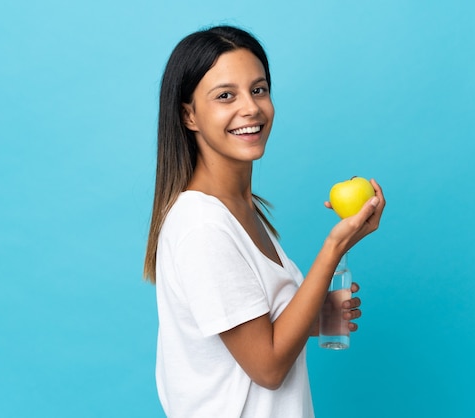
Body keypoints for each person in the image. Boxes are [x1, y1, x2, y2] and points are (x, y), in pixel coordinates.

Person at [144, 25, 385, 418]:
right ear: (189, 114)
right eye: (226, 96)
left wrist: (312, 317)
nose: (251, 108)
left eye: (258, 89)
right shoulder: (203, 226)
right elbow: (268, 368)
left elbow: (259, 334)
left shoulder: (241, 209)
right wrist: (335, 247)